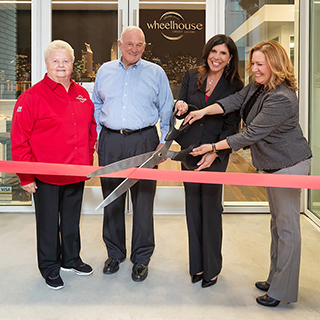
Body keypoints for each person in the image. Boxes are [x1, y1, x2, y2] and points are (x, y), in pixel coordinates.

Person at [183, 40, 312, 306]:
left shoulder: (282, 97)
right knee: (277, 224)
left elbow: (250, 134)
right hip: (273, 165)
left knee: (287, 229)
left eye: (259, 64)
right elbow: (232, 101)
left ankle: (281, 292)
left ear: (275, 64)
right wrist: (202, 112)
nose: (253, 69)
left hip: (289, 164)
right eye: (252, 63)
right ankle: (276, 278)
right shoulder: (258, 86)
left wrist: (214, 147)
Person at [11, 40, 97, 290]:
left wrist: (87, 163)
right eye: (55, 61)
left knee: (71, 221)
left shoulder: (81, 94)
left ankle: (71, 259)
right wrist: (25, 176)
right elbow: (19, 140)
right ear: (47, 64)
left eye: (66, 60)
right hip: (45, 175)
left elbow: (90, 129)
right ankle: (49, 266)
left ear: (72, 64)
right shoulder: (31, 97)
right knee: (48, 224)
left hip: (76, 172)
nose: (61, 65)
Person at [92, 26, 173, 282]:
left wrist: (164, 142)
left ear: (144, 47)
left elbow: (167, 108)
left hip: (144, 140)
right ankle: (115, 253)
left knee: (143, 200)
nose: (134, 49)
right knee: (112, 199)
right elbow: (96, 104)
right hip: (111, 140)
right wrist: (98, 136)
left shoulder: (156, 72)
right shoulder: (104, 70)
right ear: (120, 44)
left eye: (139, 45)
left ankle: (141, 258)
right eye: (130, 44)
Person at [174, 35, 243, 288]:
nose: (217, 57)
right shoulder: (192, 75)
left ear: (230, 58)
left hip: (215, 151)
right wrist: (179, 106)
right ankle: (197, 266)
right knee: (192, 207)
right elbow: (180, 109)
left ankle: (212, 268)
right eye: (214, 51)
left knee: (211, 208)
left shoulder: (236, 85)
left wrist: (215, 152)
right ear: (207, 53)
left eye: (223, 53)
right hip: (190, 150)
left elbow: (232, 124)